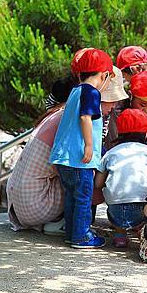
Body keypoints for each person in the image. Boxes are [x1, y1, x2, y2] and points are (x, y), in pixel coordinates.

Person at [49, 48, 113, 249]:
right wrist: (89, 146)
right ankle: (82, 236)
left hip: (64, 159)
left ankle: (71, 232)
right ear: (104, 75)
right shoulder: (91, 93)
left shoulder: (75, 92)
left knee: (72, 197)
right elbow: (85, 117)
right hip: (80, 159)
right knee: (84, 198)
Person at [95, 109, 147, 248]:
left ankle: (120, 236)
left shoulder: (111, 153)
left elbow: (98, 183)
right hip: (141, 210)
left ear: (119, 132)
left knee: (116, 200)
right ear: (146, 133)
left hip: (114, 211)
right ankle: (141, 231)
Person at [6, 106, 65, 233]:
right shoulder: (67, 118)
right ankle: (64, 223)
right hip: (34, 207)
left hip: (16, 205)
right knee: (79, 177)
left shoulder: (52, 116)